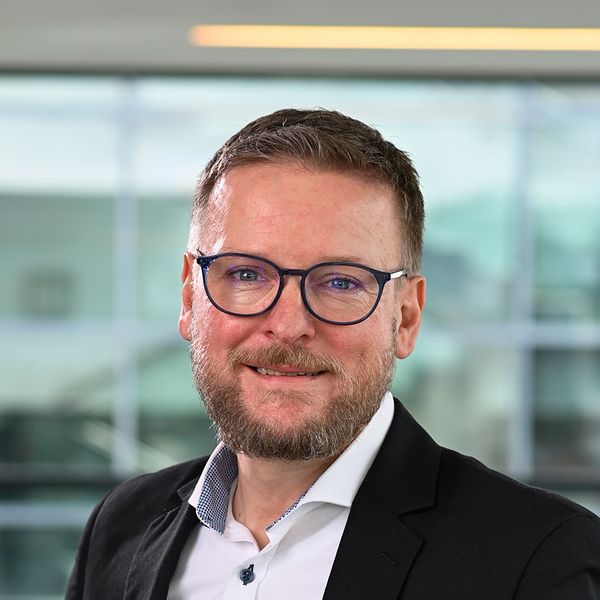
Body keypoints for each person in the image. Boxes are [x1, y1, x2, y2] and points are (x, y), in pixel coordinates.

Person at [67, 108, 600, 599]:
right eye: (246, 274)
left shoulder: (539, 559)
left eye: (341, 282)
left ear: (406, 317)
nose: (288, 325)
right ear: (190, 298)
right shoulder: (122, 527)